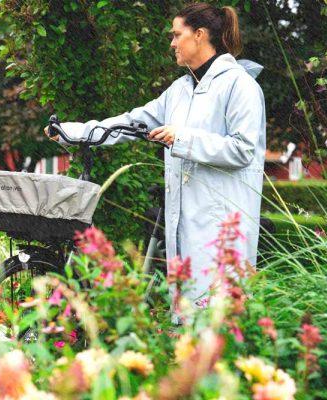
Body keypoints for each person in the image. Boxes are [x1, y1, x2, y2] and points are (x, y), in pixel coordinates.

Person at [45, 3, 266, 317]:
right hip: (185, 224)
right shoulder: (179, 90)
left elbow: (243, 149)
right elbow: (132, 122)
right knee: (187, 322)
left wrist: (182, 138)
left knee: (220, 324)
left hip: (222, 228)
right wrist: (75, 132)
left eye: (177, 35)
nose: (172, 43)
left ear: (200, 35)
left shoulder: (240, 85)